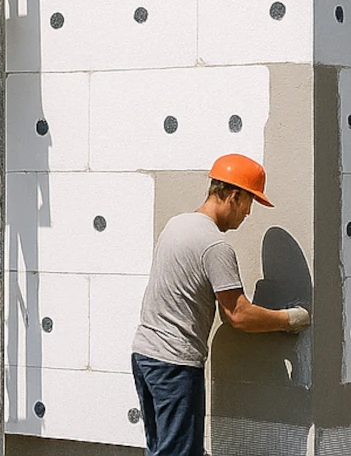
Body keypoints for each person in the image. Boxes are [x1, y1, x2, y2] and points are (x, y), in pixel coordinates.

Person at [131, 153, 311, 456]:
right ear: (233, 195)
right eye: (249, 202)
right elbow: (237, 315)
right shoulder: (215, 246)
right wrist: (291, 319)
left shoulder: (177, 224)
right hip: (174, 365)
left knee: (162, 449)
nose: (248, 213)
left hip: (146, 357)